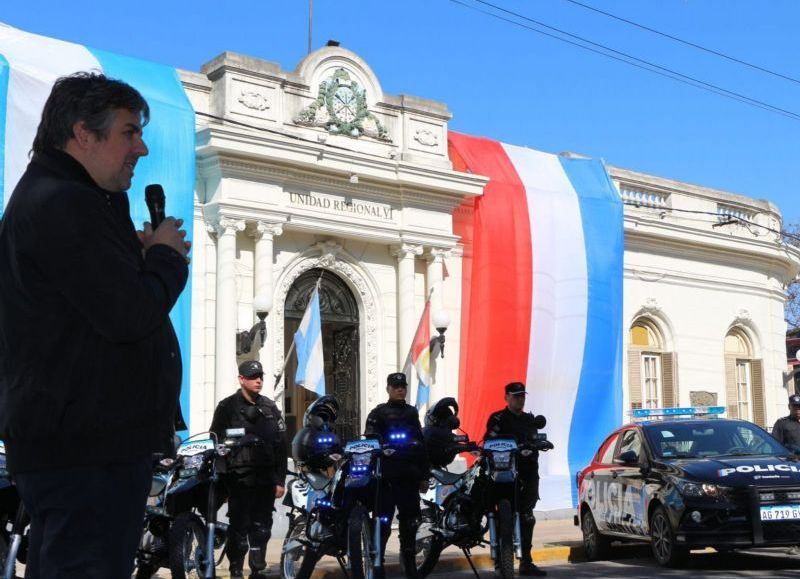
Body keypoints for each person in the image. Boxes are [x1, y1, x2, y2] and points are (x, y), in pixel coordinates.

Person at [0, 72, 190, 578]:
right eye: (129, 132)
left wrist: (139, 256)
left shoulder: (65, 199)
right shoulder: (64, 202)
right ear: (84, 133)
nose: (142, 148)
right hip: (88, 451)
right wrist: (167, 259)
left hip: (83, 445)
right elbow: (129, 314)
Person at [210, 360, 288, 579]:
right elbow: (215, 442)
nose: (259, 381)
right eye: (253, 377)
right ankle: (236, 570)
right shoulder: (227, 407)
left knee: (262, 527)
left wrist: (280, 480)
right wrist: (222, 480)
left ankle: (257, 570)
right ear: (241, 379)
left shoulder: (270, 408)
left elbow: (281, 446)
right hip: (238, 478)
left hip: (265, 478)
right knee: (239, 527)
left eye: (260, 376)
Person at [364, 372, 430, 579]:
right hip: (385, 479)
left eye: (403, 386)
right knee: (382, 522)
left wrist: (424, 476)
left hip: (408, 478)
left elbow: (421, 445)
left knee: (410, 522)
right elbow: (370, 440)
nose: (400, 389)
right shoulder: (378, 413)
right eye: (396, 386)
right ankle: (377, 564)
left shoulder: (411, 413)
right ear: (388, 389)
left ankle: (409, 565)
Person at [484, 382, 550, 577]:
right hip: (503, 473)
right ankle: (500, 559)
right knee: (497, 514)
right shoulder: (498, 418)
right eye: (515, 396)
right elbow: (488, 440)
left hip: (527, 473)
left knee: (527, 516)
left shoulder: (530, 419)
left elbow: (537, 440)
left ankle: (526, 562)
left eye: (522, 395)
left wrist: (541, 443)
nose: (520, 399)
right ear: (507, 397)